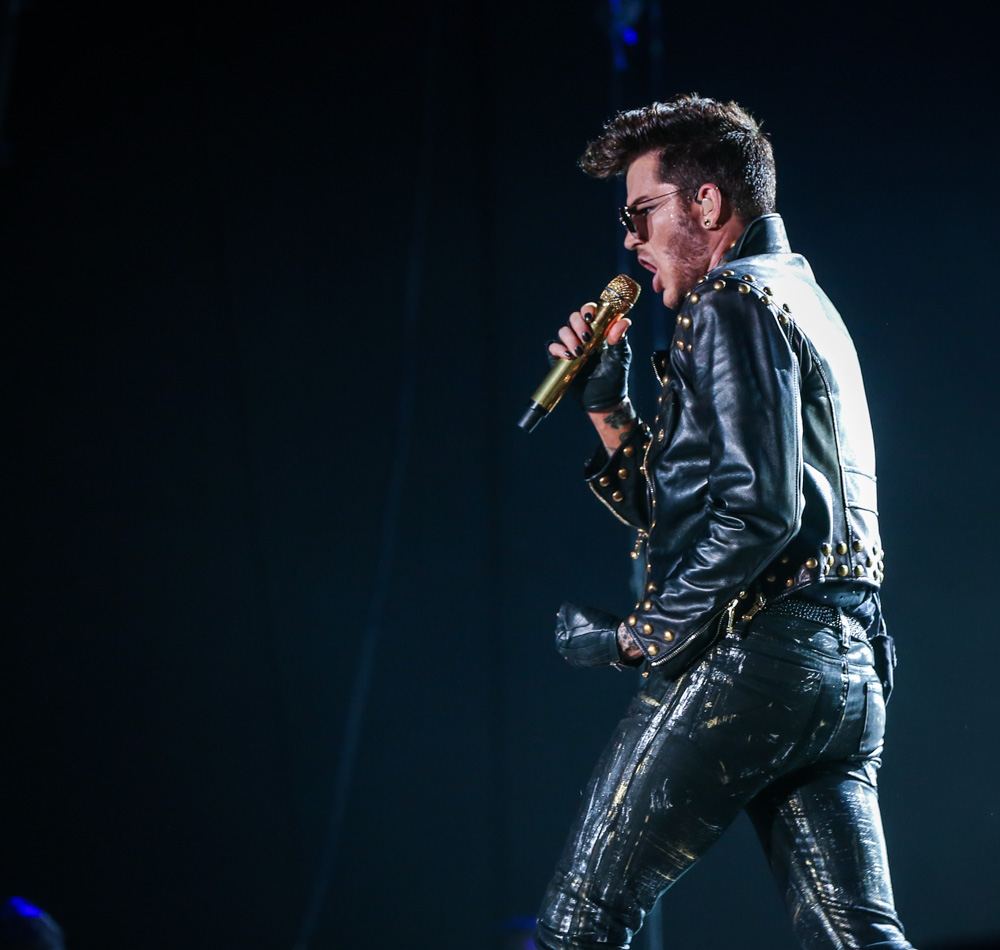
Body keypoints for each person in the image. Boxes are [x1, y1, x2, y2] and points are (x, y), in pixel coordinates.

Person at [535, 95, 912, 950]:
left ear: (706, 203)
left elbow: (759, 512)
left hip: (756, 655)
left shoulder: (729, 299)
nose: (631, 241)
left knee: (578, 923)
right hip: (847, 668)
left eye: (642, 213)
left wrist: (637, 637)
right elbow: (698, 501)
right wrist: (604, 404)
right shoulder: (802, 297)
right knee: (857, 937)